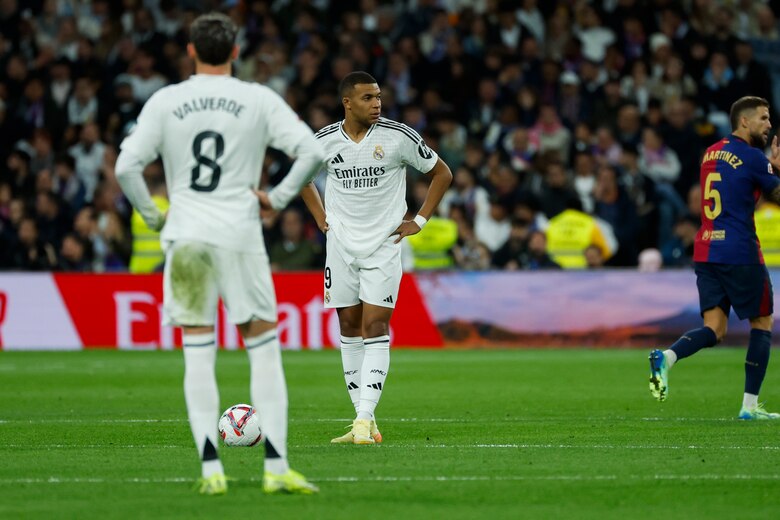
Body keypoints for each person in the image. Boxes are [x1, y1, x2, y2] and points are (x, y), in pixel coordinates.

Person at [115, 12, 324, 495]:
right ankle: (276, 468)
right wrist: (276, 197)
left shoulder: (167, 101)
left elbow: (127, 166)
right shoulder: (257, 98)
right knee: (264, 349)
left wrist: (153, 215)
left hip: (186, 235)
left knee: (198, 352)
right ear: (235, 52)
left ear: (189, 50)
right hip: (239, 233)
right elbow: (311, 151)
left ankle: (212, 471)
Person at [300, 71, 452, 444]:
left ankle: (365, 418)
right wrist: (321, 217)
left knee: (375, 327)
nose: (377, 103)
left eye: (379, 96)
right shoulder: (324, 141)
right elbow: (300, 177)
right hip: (340, 246)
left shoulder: (397, 136)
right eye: (368, 98)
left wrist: (419, 219)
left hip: (383, 245)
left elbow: (442, 173)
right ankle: (361, 421)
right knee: (349, 328)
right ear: (347, 102)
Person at [649, 96, 780, 420]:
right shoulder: (752, 157)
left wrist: (770, 168)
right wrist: (775, 168)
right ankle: (749, 407)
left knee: (715, 329)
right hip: (740, 251)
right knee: (761, 323)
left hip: (707, 249)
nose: (769, 125)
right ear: (744, 121)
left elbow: (735, 185)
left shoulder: (709, 154)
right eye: (763, 118)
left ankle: (666, 358)